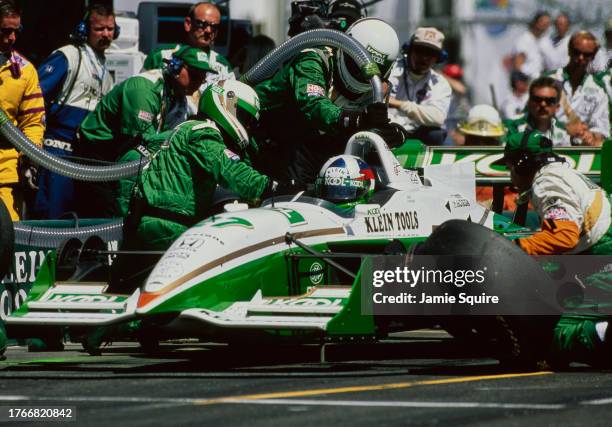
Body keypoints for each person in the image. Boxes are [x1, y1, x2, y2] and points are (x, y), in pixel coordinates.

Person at [494, 131, 612, 368]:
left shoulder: (547, 182)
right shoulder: (563, 174)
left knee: (555, 338)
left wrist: (514, 249)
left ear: (522, 163)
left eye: (510, 167)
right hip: (598, 257)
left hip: (606, 261)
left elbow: (563, 235)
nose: (510, 175)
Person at [254, 17, 402, 187]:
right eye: (358, 66)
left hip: (315, 141)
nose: (363, 76)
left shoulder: (378, 86)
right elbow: (313, 105)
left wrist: (389, 133)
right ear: (347, 49)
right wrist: (357, 119)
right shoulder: (313, 59)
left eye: (374, 71)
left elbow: (367, 129)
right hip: (270, 133)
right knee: (296, 184)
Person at [74, 45, 214, 218]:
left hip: (124, 153)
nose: (198, 82)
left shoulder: (178, 97)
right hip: (97, 153)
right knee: (108, 213)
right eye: (194, 75)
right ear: (175, 67)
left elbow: (171, 139)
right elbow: (143, 143)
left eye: (203, 78)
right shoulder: (143, 88)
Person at [33, 4, 117, 219]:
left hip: (83, 158)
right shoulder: (68, 56)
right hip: (57, 151)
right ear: (84, 30)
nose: (106, 34)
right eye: (99, 29)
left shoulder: (106, 71)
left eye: (110, 29)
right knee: (52, 217)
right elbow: (34, 97)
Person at [0, 0, 45, 221]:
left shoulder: (25, 72)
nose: (12, 38)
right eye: (5, 31)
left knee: (7, 236)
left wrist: (31, 159)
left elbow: (33, 122)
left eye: (16, 31)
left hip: (5, 172)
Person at [142, 2, 234, 88]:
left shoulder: (223, 67)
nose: (208, 30)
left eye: (214, 27)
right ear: (188, 24)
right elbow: (141, 89)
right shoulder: (160, 56)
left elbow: (231, 100)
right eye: (202, 24)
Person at [388, 27, 452, 146]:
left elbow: (438, 117)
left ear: (437, 58)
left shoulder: (440, 83)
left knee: (436, 135)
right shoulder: (389, 70)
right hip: (388, 128)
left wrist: (398, 104)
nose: (424, 57)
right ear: (409, 50)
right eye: (420, 50)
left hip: (417, 133)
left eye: (431, 53)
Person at [546, 31, 610, 146]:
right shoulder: (548, 81)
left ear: (593, 56)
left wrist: (591, 136)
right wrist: (565, 128)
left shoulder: (598, 89)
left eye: (587, 55)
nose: (581, 58)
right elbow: (532, 120)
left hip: (582, 154)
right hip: (550, 150)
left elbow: (601, 129)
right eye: (577, 53)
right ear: (569, 51)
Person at [456, 104, 516, 211]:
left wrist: (495, 204)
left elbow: (520, 199)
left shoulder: (508, 164)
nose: (481, 145)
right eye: (475, 139)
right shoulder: (451, 161)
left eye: (488, 141)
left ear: (497, 141)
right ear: (465, 138)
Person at [504, 76, 571, 147]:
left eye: (549, 101)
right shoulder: (512, 126)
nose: (543, 104)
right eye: (537, 99)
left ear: (557, 107)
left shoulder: (564, 131)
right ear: (529, 103)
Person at [510, 11, 550, 80]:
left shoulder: (543, 42)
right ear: (535, 22)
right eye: (542, 22)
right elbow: (518, 66)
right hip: (526, 83)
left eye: (547, 24)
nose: (545, 25)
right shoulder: (524, 40)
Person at [441, 63, 470, 146]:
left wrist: (444, 77)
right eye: (453, 77)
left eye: (457, 77)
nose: (456, 79)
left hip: (460, 121)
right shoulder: (440, 88)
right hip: (445, 122)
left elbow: (461, 89)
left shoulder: (460, 86)